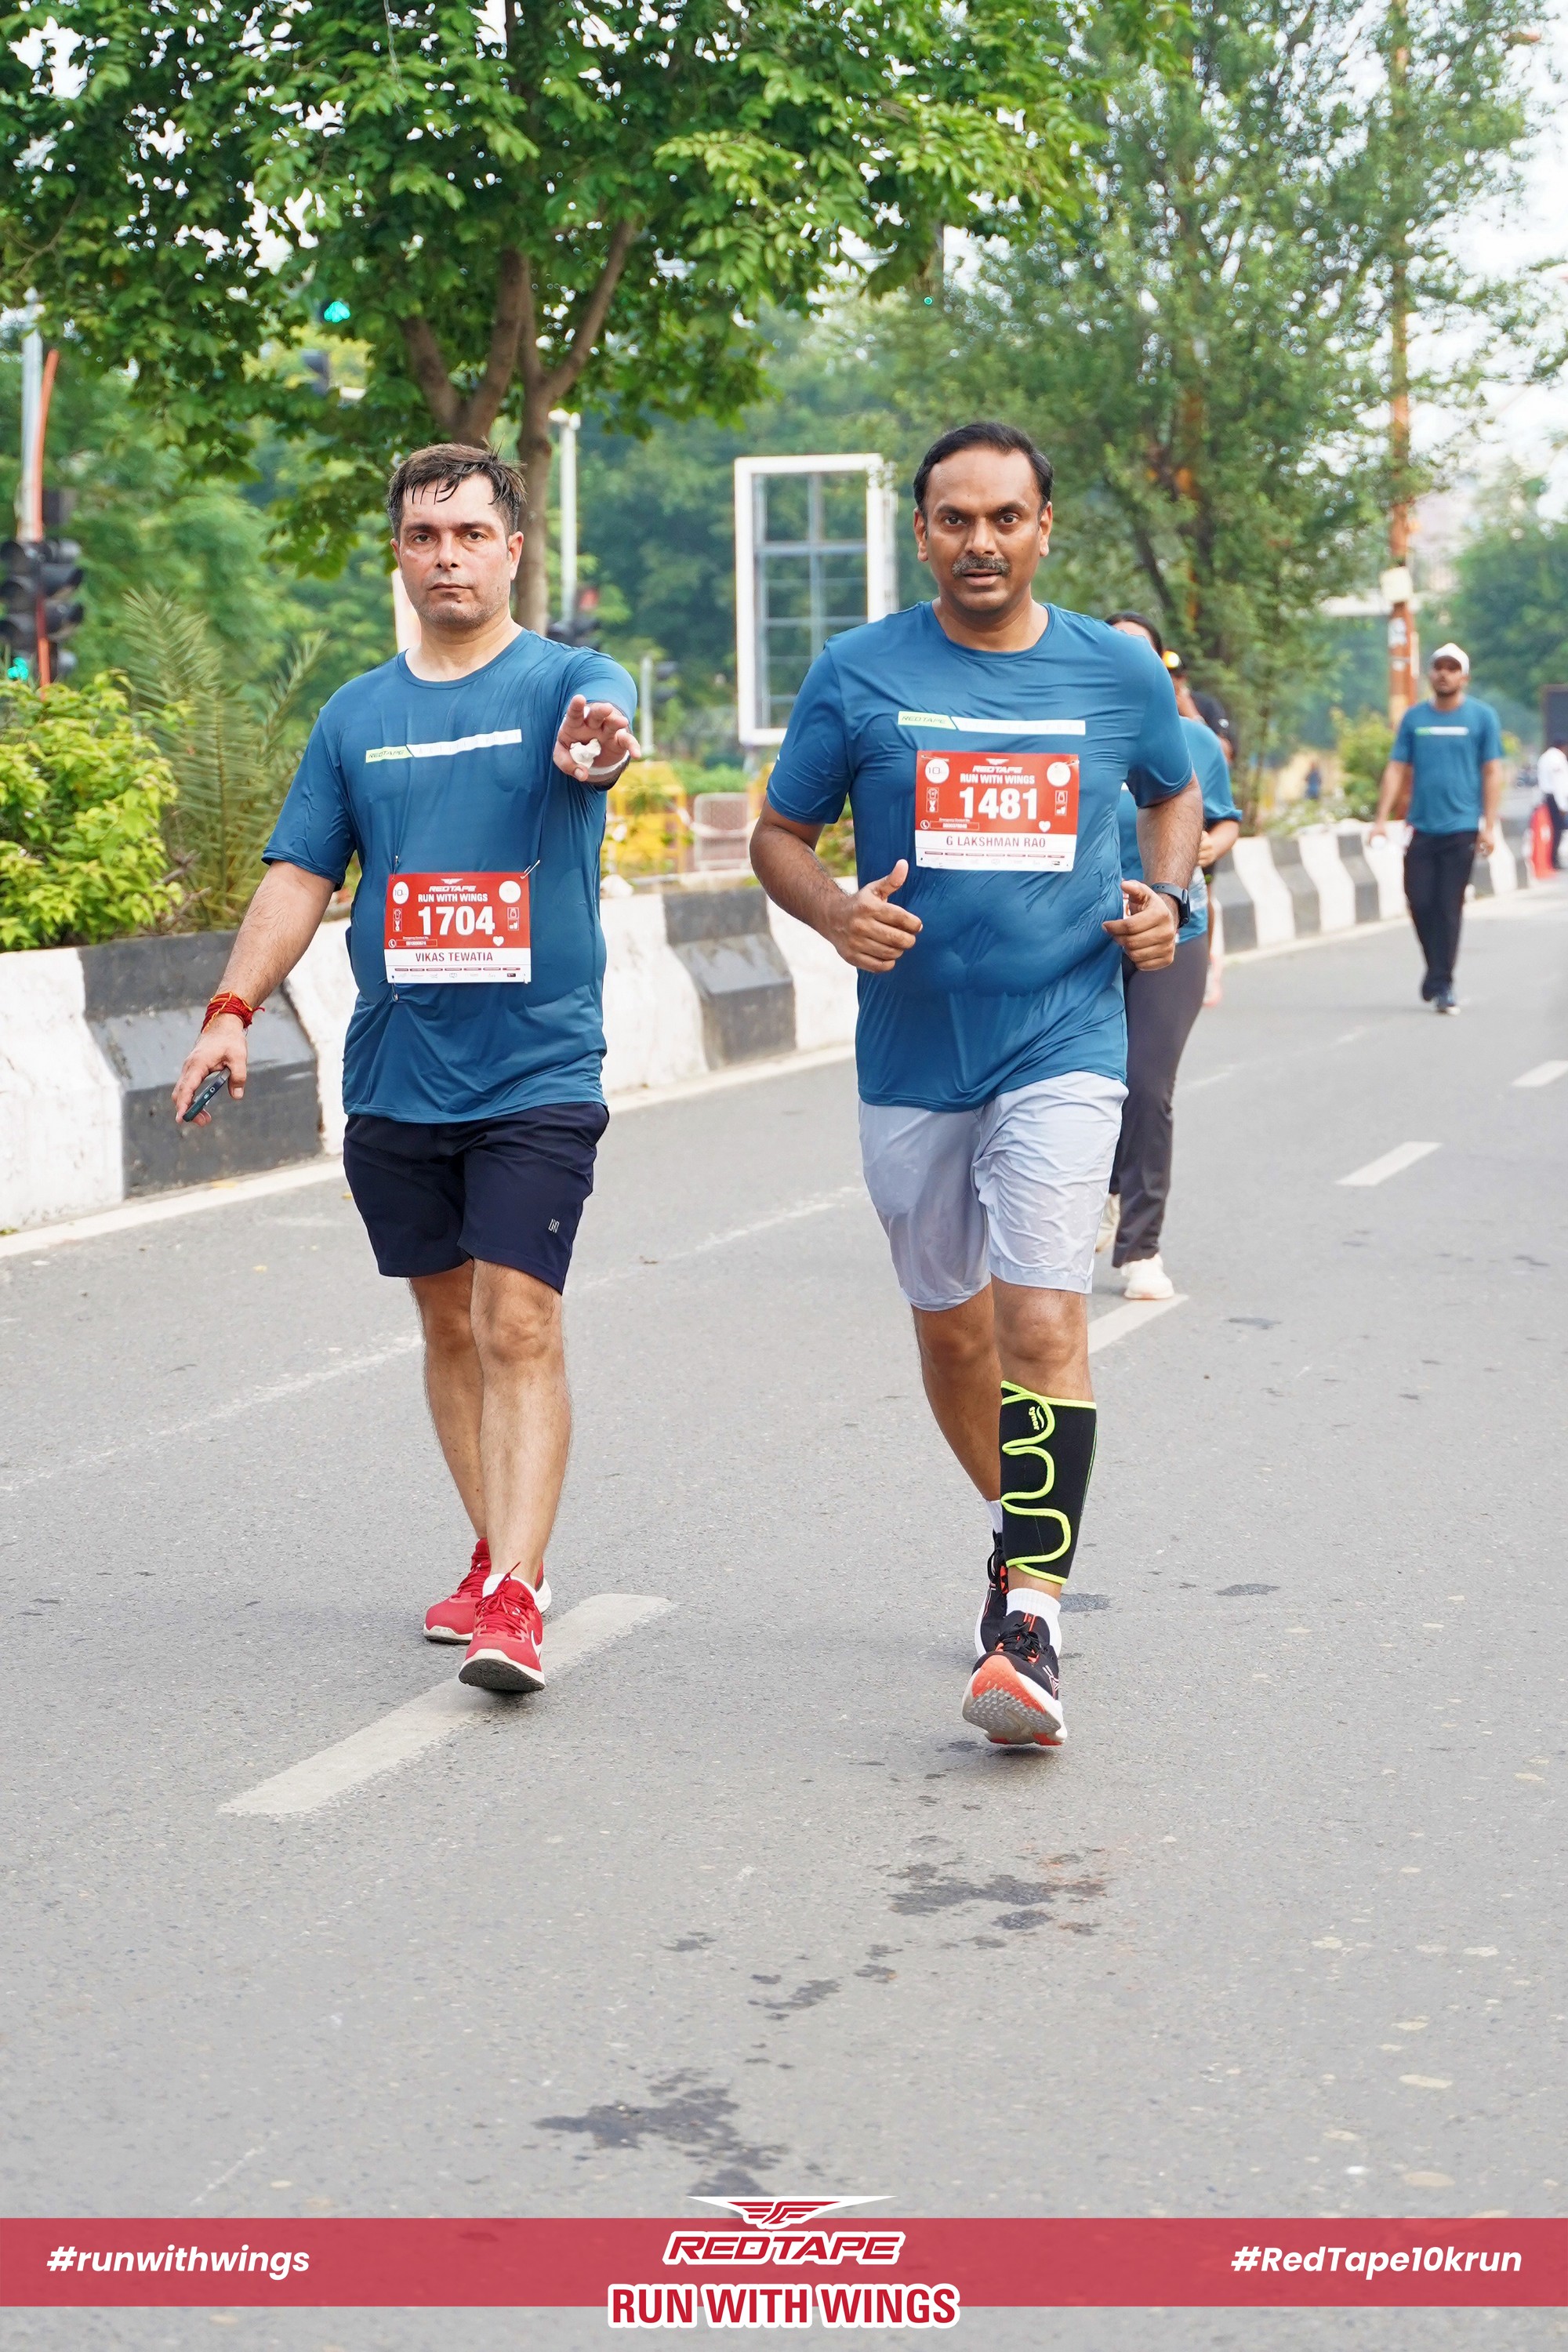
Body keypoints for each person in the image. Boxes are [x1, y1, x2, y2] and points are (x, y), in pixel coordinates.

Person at [750, 422, 1201, 1751]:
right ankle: (1020, 1542)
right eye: (957, 519)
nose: (983, 541)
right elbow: (778, 834)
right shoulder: (859, 671)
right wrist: (835, 911)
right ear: (923, 532)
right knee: (953, 1333)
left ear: (1045, 527)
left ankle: (1033, 1621)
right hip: (911, 1054)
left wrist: (1167, 897)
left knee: (1044, 1317)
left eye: (1007, 517)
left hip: (1065, 1035)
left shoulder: (1114, 669)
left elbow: (1174, 796)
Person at [172, 444, 638, 1693]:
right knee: (446, 1320)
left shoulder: (569, 682)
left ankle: (518, 1597)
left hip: (538, 1067)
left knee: (516, 1316)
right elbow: (299, 875)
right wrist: (232, 1008)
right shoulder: (356, 716)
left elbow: (605, 743)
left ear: (513, 549)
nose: (448, 557)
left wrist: (598, 748)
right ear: (400, 552)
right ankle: (496, 1551)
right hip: (396, 1069)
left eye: (472, 534)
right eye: (426, 536)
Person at [1095, 616, 1240, 1300]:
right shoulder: (1073, 733)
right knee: (1082, 1085)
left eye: (1142, 652)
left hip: (1173, 933)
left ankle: (1141, 1247)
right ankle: (1101, 1188)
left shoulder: (1194, 741)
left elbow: (1223, 817)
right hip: (1084, 935)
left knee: (1146, 1085)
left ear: (1160, 669)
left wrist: (1212, 845)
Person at [1370, 642, 1504, 1014]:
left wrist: (1489, 825)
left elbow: (1492, 771)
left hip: (1462, 827)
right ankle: (1436, 969)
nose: (1444, 674)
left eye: (1452, 668)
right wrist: (1380, 820)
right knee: (1420, 901)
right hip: (1422, 828)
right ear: (1430, 674)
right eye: (1439, 667)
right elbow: (1397, 768)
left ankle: (1443, 982)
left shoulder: (1482, 718)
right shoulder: (1415, 719)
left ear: (1464, 677)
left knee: (1448, 906)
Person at [1538, 734, 1568, 870]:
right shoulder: (1557, 758)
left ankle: (1551, 859)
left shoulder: (1545, 757)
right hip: (1555, 799)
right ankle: (1554, 860)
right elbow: (1558, 784)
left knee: (1551, 830)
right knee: (1557, 830)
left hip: (1548, 798)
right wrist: (1562, 805)